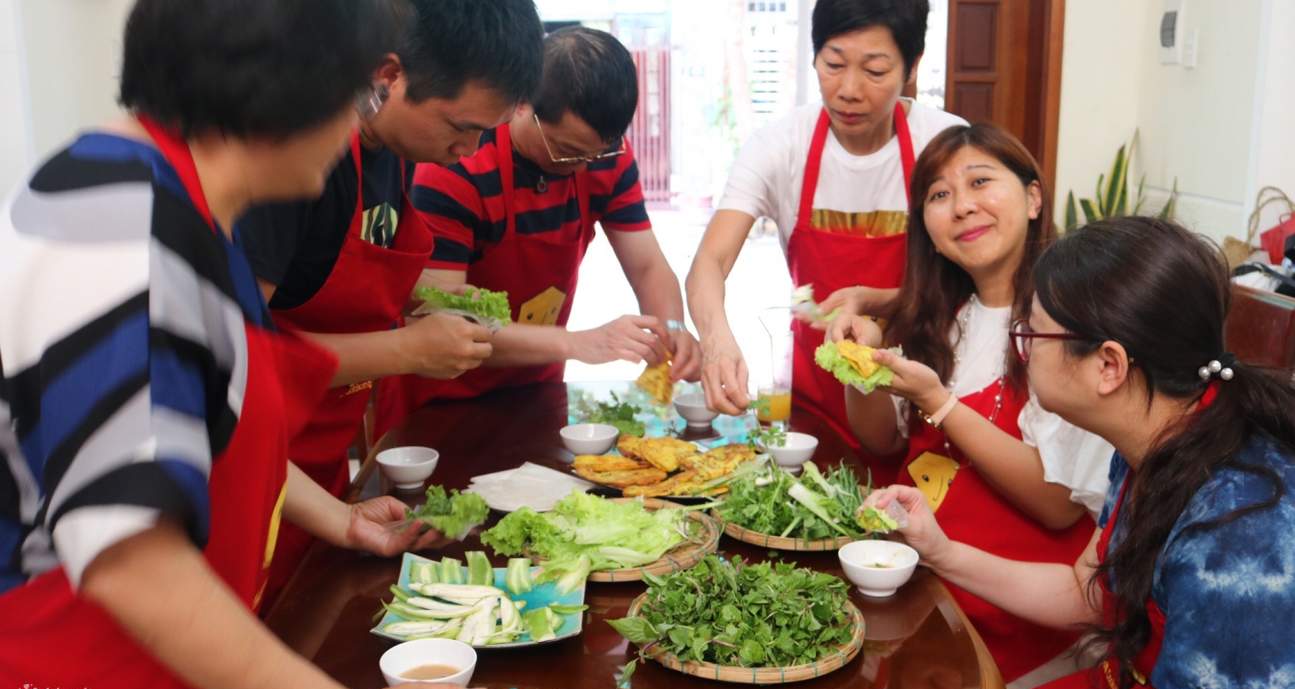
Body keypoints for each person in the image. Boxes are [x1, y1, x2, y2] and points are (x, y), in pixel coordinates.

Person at [0, 2, 480, 689]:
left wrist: (339, 519)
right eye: (355, 95)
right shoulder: (117, 226)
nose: (355, 125)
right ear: (284, 92)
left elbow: (192, 434)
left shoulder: (178, 211)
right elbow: (132, 561)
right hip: (90, 688)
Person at [864, 216, 1295, 689]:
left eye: (1032, 333)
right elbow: (1085, 592)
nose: (1022, 351)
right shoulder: (1156, 433)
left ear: (1108, 366)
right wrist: (939, 550)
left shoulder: (1237, 541)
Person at [234, 0, 545, 603]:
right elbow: (234, 365)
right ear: (387, 77)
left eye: (487, 131)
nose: (472, 150)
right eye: (461, 128)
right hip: (246, 478)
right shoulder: (293, 160)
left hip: (311, 477)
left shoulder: (395, 152)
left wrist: (337, 515)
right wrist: (406, 350)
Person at [831, 124, 1111, 689]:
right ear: (927, 232)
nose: (961, 206)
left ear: (1034, 199)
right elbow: (883, 444)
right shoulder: (945, 318)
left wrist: (938, 400)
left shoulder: (1072, 327)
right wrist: (856, 367)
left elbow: (1059, 502)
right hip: (926, 609)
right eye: (938, 195)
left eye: (980, 181)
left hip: (1026, 643)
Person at [374, 26, 701, 433]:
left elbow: (648, 266)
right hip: (439, 399)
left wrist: (672, 329)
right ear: (522, 104)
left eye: (595, 153)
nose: (582, 167)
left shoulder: (601, 156)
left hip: (536, 392)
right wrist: (581, 343)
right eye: (566, 152)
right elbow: (445, 319)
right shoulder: (457, 166)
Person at [686, 0, 965, 450]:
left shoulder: (947, 146)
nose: (849, 90)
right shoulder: (780, 145)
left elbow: (979, 284)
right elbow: (709, 261)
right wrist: (716, 341)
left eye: (874, 71)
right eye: (833, 64)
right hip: (815, 403)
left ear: (912, 66)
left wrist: (885, 302)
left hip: (929, 397)